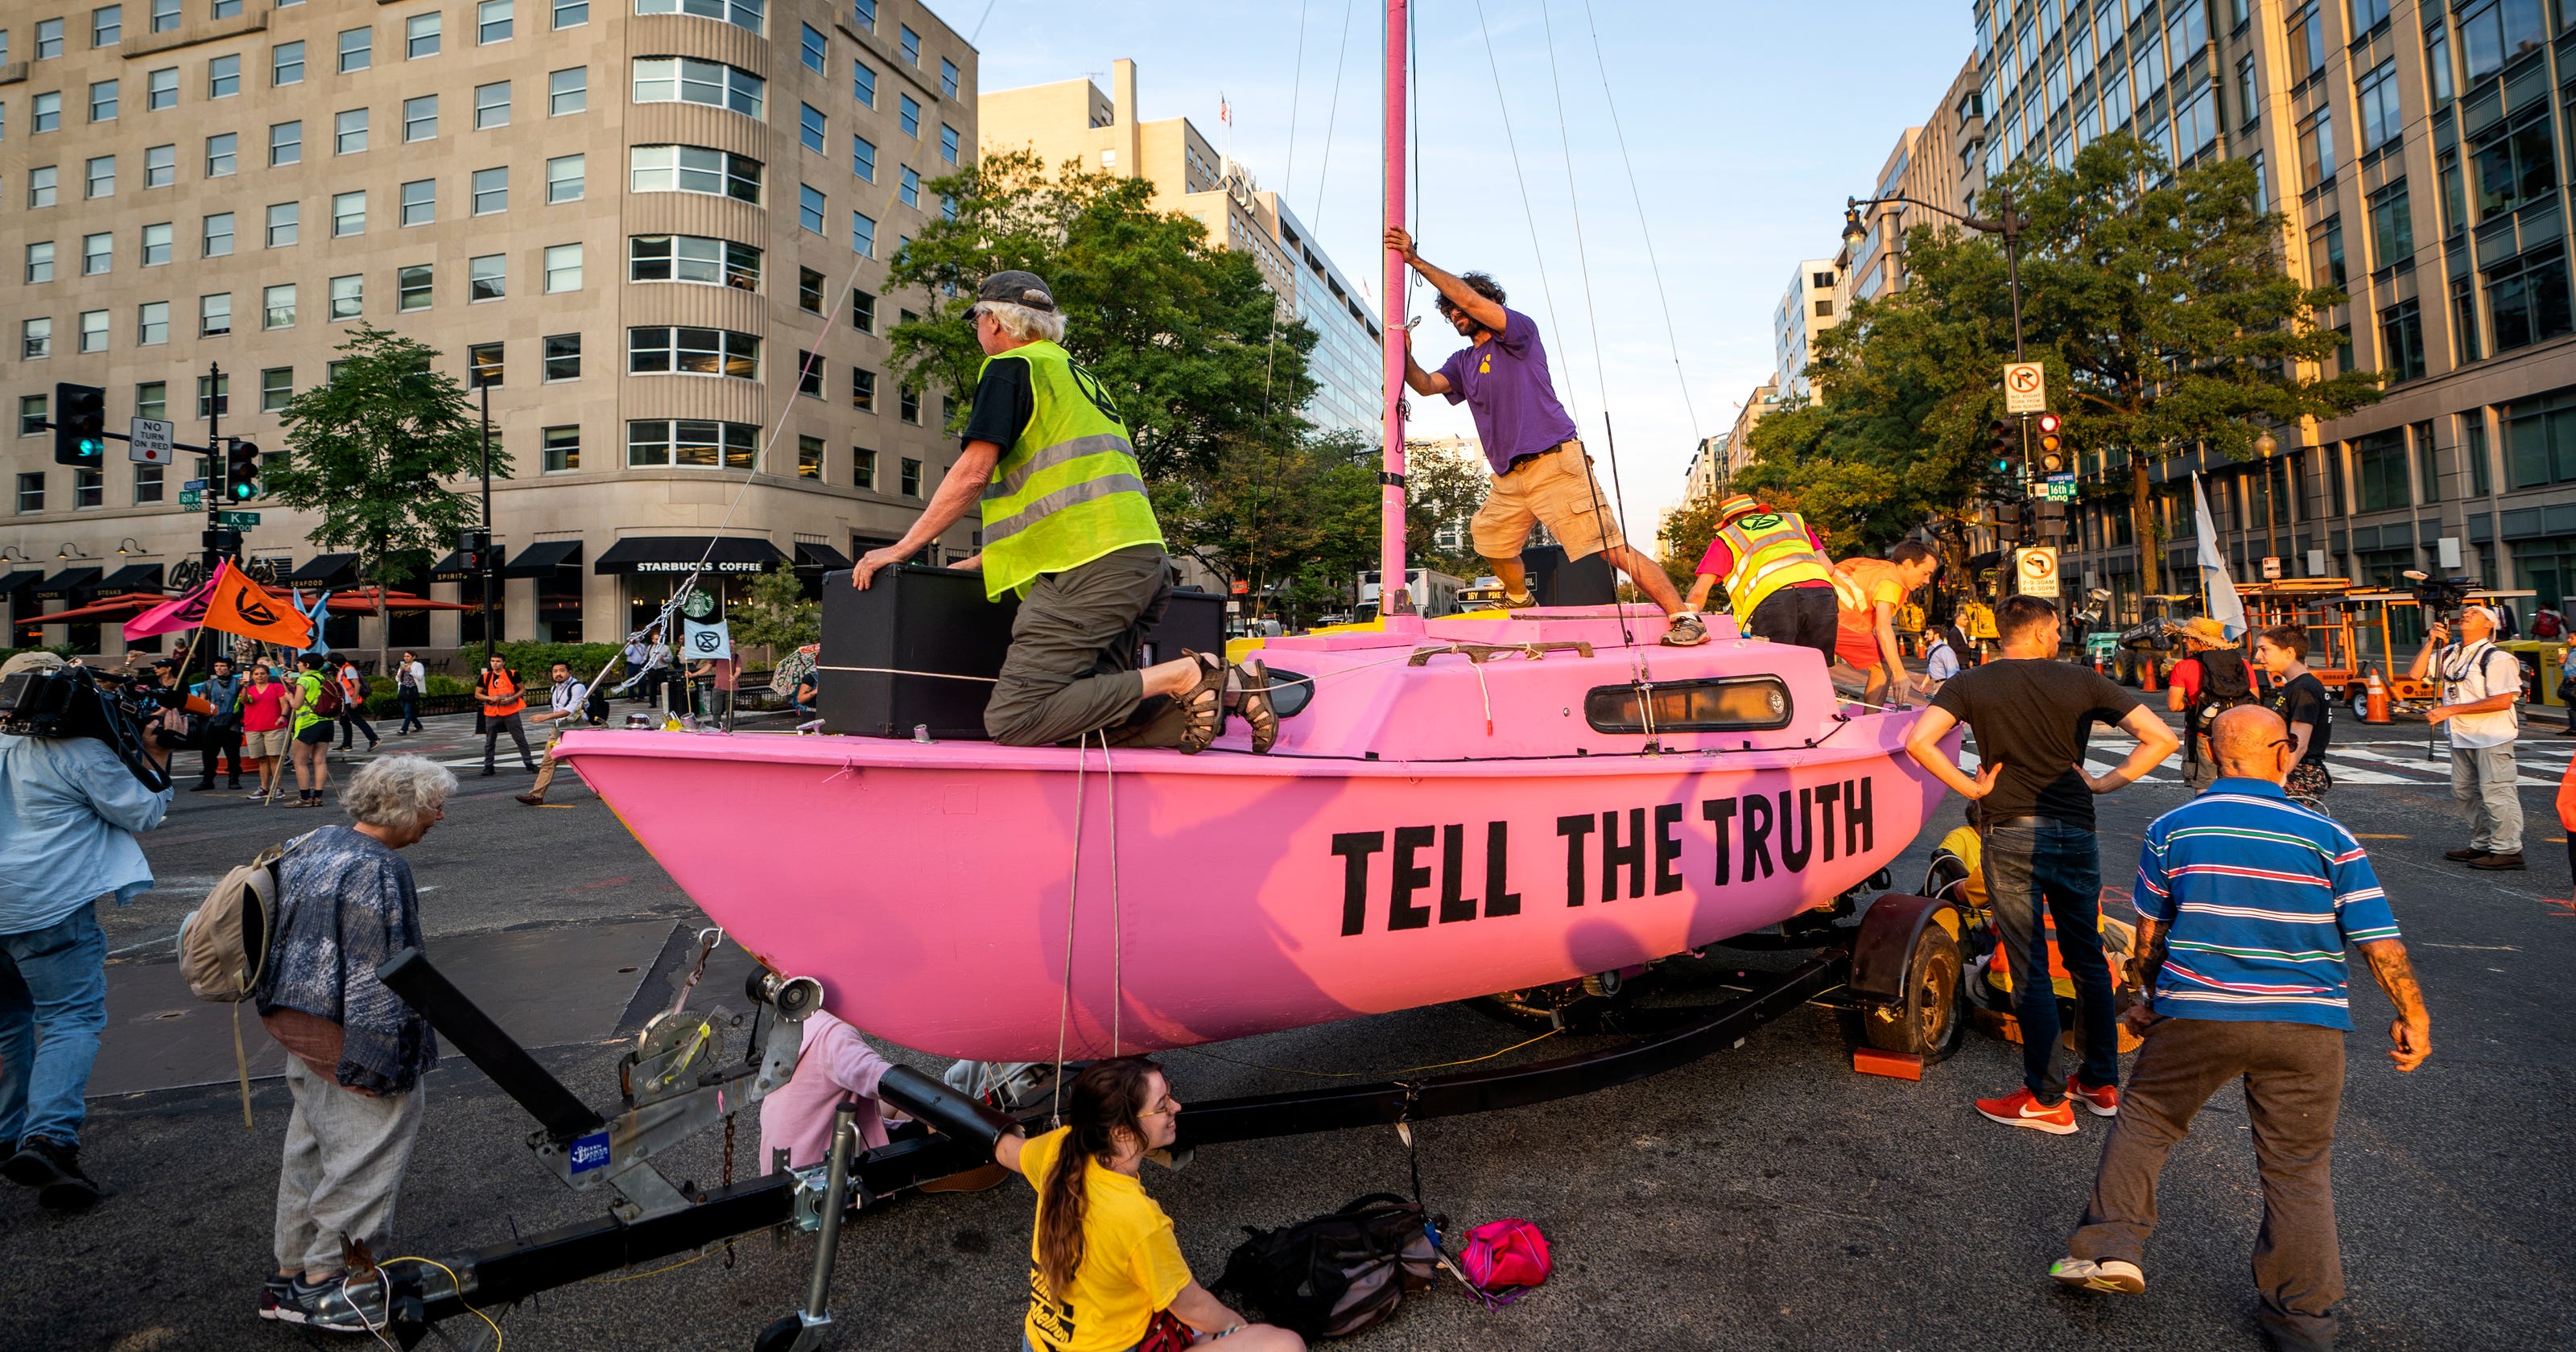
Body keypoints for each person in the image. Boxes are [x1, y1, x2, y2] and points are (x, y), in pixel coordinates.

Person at [2050, 707, 2428, 1352]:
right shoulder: (2328, 835)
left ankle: (2112, 1248)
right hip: (2307, 1025)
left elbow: (2150, 933)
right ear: (2282, 755)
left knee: (2147, 1121)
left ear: (2210, 751)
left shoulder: (2172, 827)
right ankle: (2303, 1322)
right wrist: (2412, 1015)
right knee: (2297, 1167)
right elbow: (2378, 939)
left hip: (2197, 1010)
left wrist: (2144, 996)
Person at [848, 270, 1275, 753]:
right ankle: (1233, 693)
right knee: (1093, 717)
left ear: (995, 322)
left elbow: (973, 473)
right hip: (1140, 565)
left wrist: (902, 549)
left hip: (1089, 570)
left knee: (1016, 717)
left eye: (977, 320)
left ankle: (1190, 673)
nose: (977, 331)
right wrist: (988, 561)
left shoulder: (1011, 368)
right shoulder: (1077, 376)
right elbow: (1068, 496)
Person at [1902, 594, 2180, 1135]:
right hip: (2076, 831)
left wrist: (1972, 787)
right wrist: (2102, 782)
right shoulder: (2083, 681)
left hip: (2009, 831)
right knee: (2089, 958)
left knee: (2029, 964)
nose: (2061, 634)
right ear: (2041, 630)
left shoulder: (1970, 683)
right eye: (2057, 626)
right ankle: (2100, 1083)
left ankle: (2045, 1096)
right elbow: (2162, 738)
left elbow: (1920, 741)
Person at [1387, 227, 1707, 646]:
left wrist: (1414, 261)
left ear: (1488, 303)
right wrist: (1403, 352)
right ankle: (1522, 602)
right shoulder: (1463, 361)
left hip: (1555, 461)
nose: (1454, 314)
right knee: (1491, 541)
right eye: (1449, 312)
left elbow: (1469, 298)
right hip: (1509, 478)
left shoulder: (1516, 333)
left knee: (1608, 546)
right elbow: (1426, 385)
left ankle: (1684, 618)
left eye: (1459, 307)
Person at [257, 755, 452, 1330]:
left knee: (310, 1149)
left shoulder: (311, 839)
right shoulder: (378, 870)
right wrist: (384, 1063)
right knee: (366, 1154)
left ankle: (291, 1272)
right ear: (404, 808)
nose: (438, 817)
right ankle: (330, 1282)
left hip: (295, 1018)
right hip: (347, 1032)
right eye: (432, 806)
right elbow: (378, 973)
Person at [0, 650, 175, 1210]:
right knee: (69, 1018)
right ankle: (49, 1138)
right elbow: (143, 812)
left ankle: (10, 1133)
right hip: (48, 906)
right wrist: (155, 753)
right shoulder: (75, 753)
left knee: (10, 1023)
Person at [996, 1058, 1302, 1352]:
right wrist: (1243, 1332)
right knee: (1284, 1345)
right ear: (1122, 1132)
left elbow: (1007, 1151)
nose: (1176, 1107)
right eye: (1162, 1105)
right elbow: (1194, 1307)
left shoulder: (1061, 1147)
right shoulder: (1137, 1218)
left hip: (1037, 1344)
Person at [2409, 604, 2524, 869]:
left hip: (2492, 736)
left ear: (2489, 625)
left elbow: (2503, 701)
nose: (2467, 615)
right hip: (2461, 736)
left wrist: (2451, 710)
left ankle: (2508, 850)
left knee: (2497, 793)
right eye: (2466, 612)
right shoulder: (2451, 653)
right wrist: (2431, 643)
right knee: (2464, 792)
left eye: (2475, 613)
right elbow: (2416, 674)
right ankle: (2483, 844)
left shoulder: (2497, 658)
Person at [1685, 494, 1839, 661]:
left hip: (1775, 601)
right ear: (1758, 511)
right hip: (1822, 598)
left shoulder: (1728, 537)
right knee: (1816, 665)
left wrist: (1684, 623)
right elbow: (1828, 568)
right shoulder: (1794, 522)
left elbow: (1699, 593)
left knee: (1776, 668)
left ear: (1729, 521)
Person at [758, 1007, 899, 1170]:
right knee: (922, 1112)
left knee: (890, 1106)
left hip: (784, 1160)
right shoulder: (835, 1034)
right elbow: (876, 1076)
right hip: (819, 1173)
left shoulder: (798, 1019)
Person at [1835, 542, 1945, 708]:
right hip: (1842, 621)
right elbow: (1883, 627)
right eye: (1925, 573)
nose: (1927, 581)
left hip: (1813, 609)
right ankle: (1870, 724)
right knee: (1883, 668)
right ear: (1907, 564)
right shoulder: (1892, 582)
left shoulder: (1875, 567)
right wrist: (1899, 673)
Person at [2165, 617, 2263, 789]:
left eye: (2189, 637)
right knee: (2236, 785)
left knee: (2204, 786)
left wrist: (2193, 705)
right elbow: (2254, 701)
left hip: (2203, 732)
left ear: (2200, 641)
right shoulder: (2243, 664)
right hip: (2237, 733)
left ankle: (2208, 815)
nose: (2185, 640)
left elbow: (2174, 705)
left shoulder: (2184, 666)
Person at [2254, 625, 2334, 810]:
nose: (2258, 656)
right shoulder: (2295, 686)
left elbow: (2299, 744)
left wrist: (2276, 781)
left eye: (2264, 649)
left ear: (2289, 652)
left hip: (2300, 773)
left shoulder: (2304, 688)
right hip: (2292, 770)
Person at [515, 662, 588, 806]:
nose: (558, 674)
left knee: (585, 762)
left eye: (562, 671)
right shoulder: (554, 688)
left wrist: (546, 717)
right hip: (558, 729)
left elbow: (572, 709)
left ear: (569, 672)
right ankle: (537, 795)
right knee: (548, 761)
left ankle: (603, 791)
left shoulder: (577, 687)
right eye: (555, 671)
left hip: (576, 728)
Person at [474, 653, 539, 777]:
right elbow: (477, 694)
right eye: (493, 661)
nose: (495, 663)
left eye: (498, 661)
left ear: (503, 662)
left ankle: (529, 763)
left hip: (510, 711)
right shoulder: (486, 677)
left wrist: (512, 698)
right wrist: (489, 697)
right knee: (490, 741)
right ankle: (488, 766)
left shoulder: (512, 674)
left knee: (520, 738)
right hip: (492, 712)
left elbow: (522, 689)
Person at [287, 653, 338, 809]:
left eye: (300, 663)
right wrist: (292, 678)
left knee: (300, 761)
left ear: (307, 665)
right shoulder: (322, 678)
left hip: (308, 723)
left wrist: (289, 697)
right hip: (326, 722)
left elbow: (296, 704)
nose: (297, 666)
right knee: (320, 760)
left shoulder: (304, 680)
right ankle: (317, 796)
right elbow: (295, 675)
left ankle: (304, 797)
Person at [237, 662, 293, 803]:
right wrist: (244, 687)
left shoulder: (276, 687)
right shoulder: (249, 689)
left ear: (268, 675)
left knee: (275, 758)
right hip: (253, 727)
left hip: (274, 726)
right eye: (256, 674)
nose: (259, 676)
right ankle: (264, 787)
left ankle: (278, 788)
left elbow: (284, 704)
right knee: (261, 759)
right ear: (252, 676)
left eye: (262, 673)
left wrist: (282, 716)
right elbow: (244, 701)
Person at [192, 656, 246, 792]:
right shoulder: (208, 684)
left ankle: (234, 779)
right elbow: (202, 703)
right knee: (208, 754)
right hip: (213, 722)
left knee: (233, 753)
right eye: (217, 666)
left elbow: (244, 701)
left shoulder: (238, 683)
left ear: (230, 668)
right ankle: (207, 780)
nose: (219, 669)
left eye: (222, 666)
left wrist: (245, 686)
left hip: (232, 722)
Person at [332, 655, 380, 752]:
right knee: (344, 722)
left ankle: (374, 739)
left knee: (356, 720)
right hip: (345, 701)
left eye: (330, 662)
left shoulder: (349, 669)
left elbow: (357, 684)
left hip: (351, 700)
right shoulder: (342, 669)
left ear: (334, 662)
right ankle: (346, 744)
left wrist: (354, 700)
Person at [685, 651, 741, 731]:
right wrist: (693, 674)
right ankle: (715, 729)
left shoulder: (736, 657)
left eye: (733, 644)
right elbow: (707, 667)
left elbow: (738, 670)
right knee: (716, 711)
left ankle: (729, 730)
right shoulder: (718, 656)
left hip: (731, 688)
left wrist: (734, 677)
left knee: (729, 712)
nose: (731, 645)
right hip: (718, 687)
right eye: (730, 643)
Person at [392, 652, 427, 736]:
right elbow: (397, 679)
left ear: (413, 657)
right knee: (407, 711)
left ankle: (404, 729)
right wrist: (400, 672)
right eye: (405, 656)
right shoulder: (403, 665)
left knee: (408, 710)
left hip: (412, 690)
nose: (406, 658)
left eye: (408, 656)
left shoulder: (418, 665)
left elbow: (420, 677)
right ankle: (418, 726)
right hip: (403, 689)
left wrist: (409, 671)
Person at [1925, 624, 1967, 690]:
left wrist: (1950, 689)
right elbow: (1931, 668)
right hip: (1937, 684)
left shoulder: (1945, 650)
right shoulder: (1930, 649)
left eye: (1928, 634)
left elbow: (1952, 671)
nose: (1925, 636)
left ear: (1937, 635)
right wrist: (1924, 684)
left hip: (1944, 685)